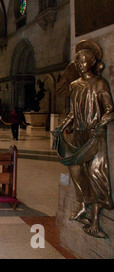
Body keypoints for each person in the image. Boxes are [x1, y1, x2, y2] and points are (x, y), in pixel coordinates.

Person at [53, 40, 114, 238]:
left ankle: (95, 220)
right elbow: (72, 112)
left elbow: (110, 110)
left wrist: (101, 124)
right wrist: (62, 127)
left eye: (84, 60)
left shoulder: (100, 83)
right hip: (78, 134)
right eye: (78, 60)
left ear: (93, 61)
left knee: (96, 174)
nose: (80, 64)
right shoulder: (74, 85)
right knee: (77, 171)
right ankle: (82, 204)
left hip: (94, 135)